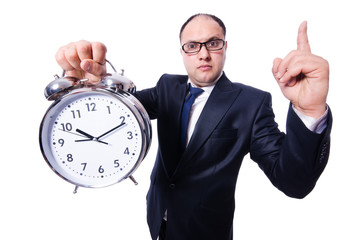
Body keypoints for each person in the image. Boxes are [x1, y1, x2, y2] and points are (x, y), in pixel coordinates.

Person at [55, 13, 332, 240]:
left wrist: (309, 110)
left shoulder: (251, 102)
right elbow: (116, 116)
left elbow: (293, 182)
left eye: (213, 43)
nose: (203, 54)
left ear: (225, 47)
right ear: (183, 52)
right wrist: (91, 87)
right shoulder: (167, 87)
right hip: (158, 220)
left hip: (207, 231)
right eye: (192, 46)